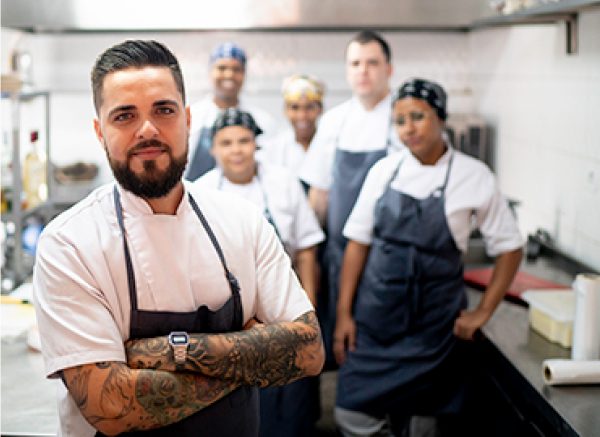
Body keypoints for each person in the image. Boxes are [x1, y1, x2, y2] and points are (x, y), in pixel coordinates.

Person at [32, 39, 324, 437]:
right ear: (100, 132)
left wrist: (160, 354)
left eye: (163, 110)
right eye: (124, 116)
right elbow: (110, 405)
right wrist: (247, 357)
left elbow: (307, 351)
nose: (147, 130)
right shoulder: (69, 244)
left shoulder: (242, 221)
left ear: (187, 119)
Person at [333, 78, 524, 436]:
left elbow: (510, 248)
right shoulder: (384, 171)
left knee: (423, 425)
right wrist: (344, 314)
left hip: (434, 328)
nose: (408, 129)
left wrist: (484, 311)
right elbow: (357, 243)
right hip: (378, 321)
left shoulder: (473, 176)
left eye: (417, 117)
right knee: (351, 413)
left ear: (441, 118)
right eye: (400, 121)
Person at [194, 107, 325, 437]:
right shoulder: (201, 191)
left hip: (285, 302)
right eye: (227, 143)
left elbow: (307, 249)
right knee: (240, 402)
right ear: (213, 149)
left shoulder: (282, 183)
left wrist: (309, 305)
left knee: (294, 401)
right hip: (231, 317)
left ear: (256, 144)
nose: (236, 150)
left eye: (243, 141)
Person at [298, 30, 403, 366]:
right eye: (356, 63)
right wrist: (310, 254)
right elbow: (320, 194)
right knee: (345, 346)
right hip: (340, 256)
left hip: (388, 258)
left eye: (372, 63)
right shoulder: (334, 122)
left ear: (389, 69)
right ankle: (354, 416)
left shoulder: (404, 120)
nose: (363, 71)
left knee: (383, 347)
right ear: (346, 70)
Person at [186, 42, 279, 180]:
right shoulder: (192, 116)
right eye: (222, 68)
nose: (229, 74)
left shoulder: (263, 121)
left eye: (236, 69)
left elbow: (271, 169)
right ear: (210, 71)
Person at [259, 74, 325, 188]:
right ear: (285, 110)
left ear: (320, 110)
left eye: (309, 107)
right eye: (295, 107)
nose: (302, 115)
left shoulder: (329, 144)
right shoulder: (273, 148)